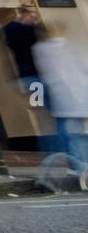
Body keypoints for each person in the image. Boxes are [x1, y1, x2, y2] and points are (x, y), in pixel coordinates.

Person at [32, 25, 88, 190]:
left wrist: (38, 102)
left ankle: (76, 168)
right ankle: (78, 168)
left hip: (65, 99)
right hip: (77, 97)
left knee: (72, 134)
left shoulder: (40, 49)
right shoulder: (69, 46)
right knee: (78, 134)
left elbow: (49, 76)